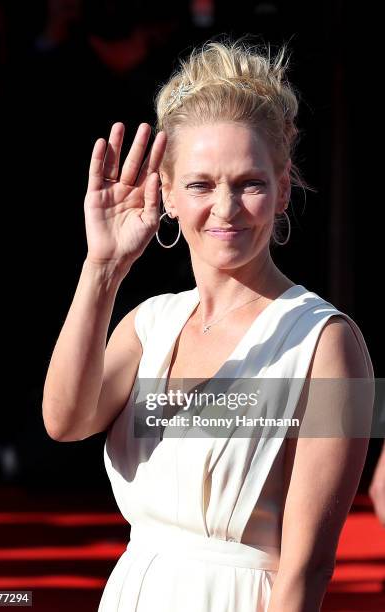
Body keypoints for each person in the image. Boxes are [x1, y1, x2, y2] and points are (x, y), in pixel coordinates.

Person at [42, 38, 375, 611]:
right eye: (200, 184)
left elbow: (310, 566)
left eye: (249, 183)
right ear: (165, 191)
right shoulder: (151, 322)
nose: (225, 208)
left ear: (283, 186)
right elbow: (64, 421)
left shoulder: (330, 343)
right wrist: (102, 268)